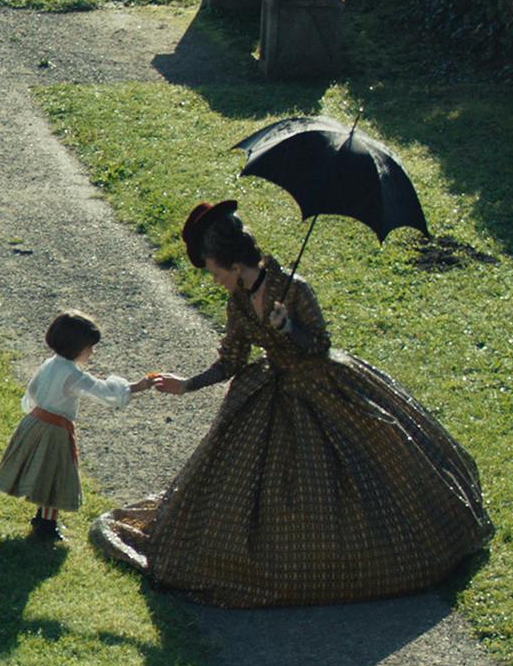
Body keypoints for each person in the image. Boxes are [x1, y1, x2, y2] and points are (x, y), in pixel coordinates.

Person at [96, 200, 489, 606]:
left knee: (355, 474)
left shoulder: (295, 289)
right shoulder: (238, 302)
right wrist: (188, 385)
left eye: (214, 271)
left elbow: (321, 346)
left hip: (325, 386)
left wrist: (289, 327)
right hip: (271, 391)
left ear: (233, 264)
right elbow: (232, 360)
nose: (213, 280)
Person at [0, 310, 155, 546]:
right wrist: (138, 386)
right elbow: (103, 391)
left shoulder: (51, 364)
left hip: (35, 422)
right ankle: (46, 525)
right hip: (54, 430)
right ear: (76, 346)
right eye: (90, 347)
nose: (92, 352)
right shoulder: (72, 375)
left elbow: (33, 390)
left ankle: (43, 519)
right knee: (54, 475)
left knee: (42, 471)